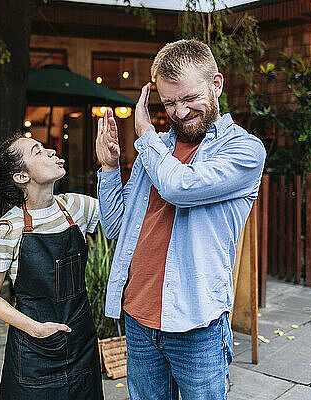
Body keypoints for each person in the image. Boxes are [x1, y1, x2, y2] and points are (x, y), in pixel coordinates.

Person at [95, 39, 266, 400]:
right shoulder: (153, 151)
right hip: (138, 320)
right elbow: (115, 228)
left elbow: (179, 187)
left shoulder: (244, 151)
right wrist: (110, 168)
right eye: (169, 102)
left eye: (189, 99)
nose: (180, 111)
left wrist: (143, 134)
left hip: (197, 325)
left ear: (215, 84)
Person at [0, 135, 104, 399]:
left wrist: (110, 166)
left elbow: (126, 218)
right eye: (38, 151)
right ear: (21, 176)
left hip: (81, 340)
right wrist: (35, 328)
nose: (51, 151)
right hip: (35, 349)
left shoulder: (77, 207)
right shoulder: (7, 230)